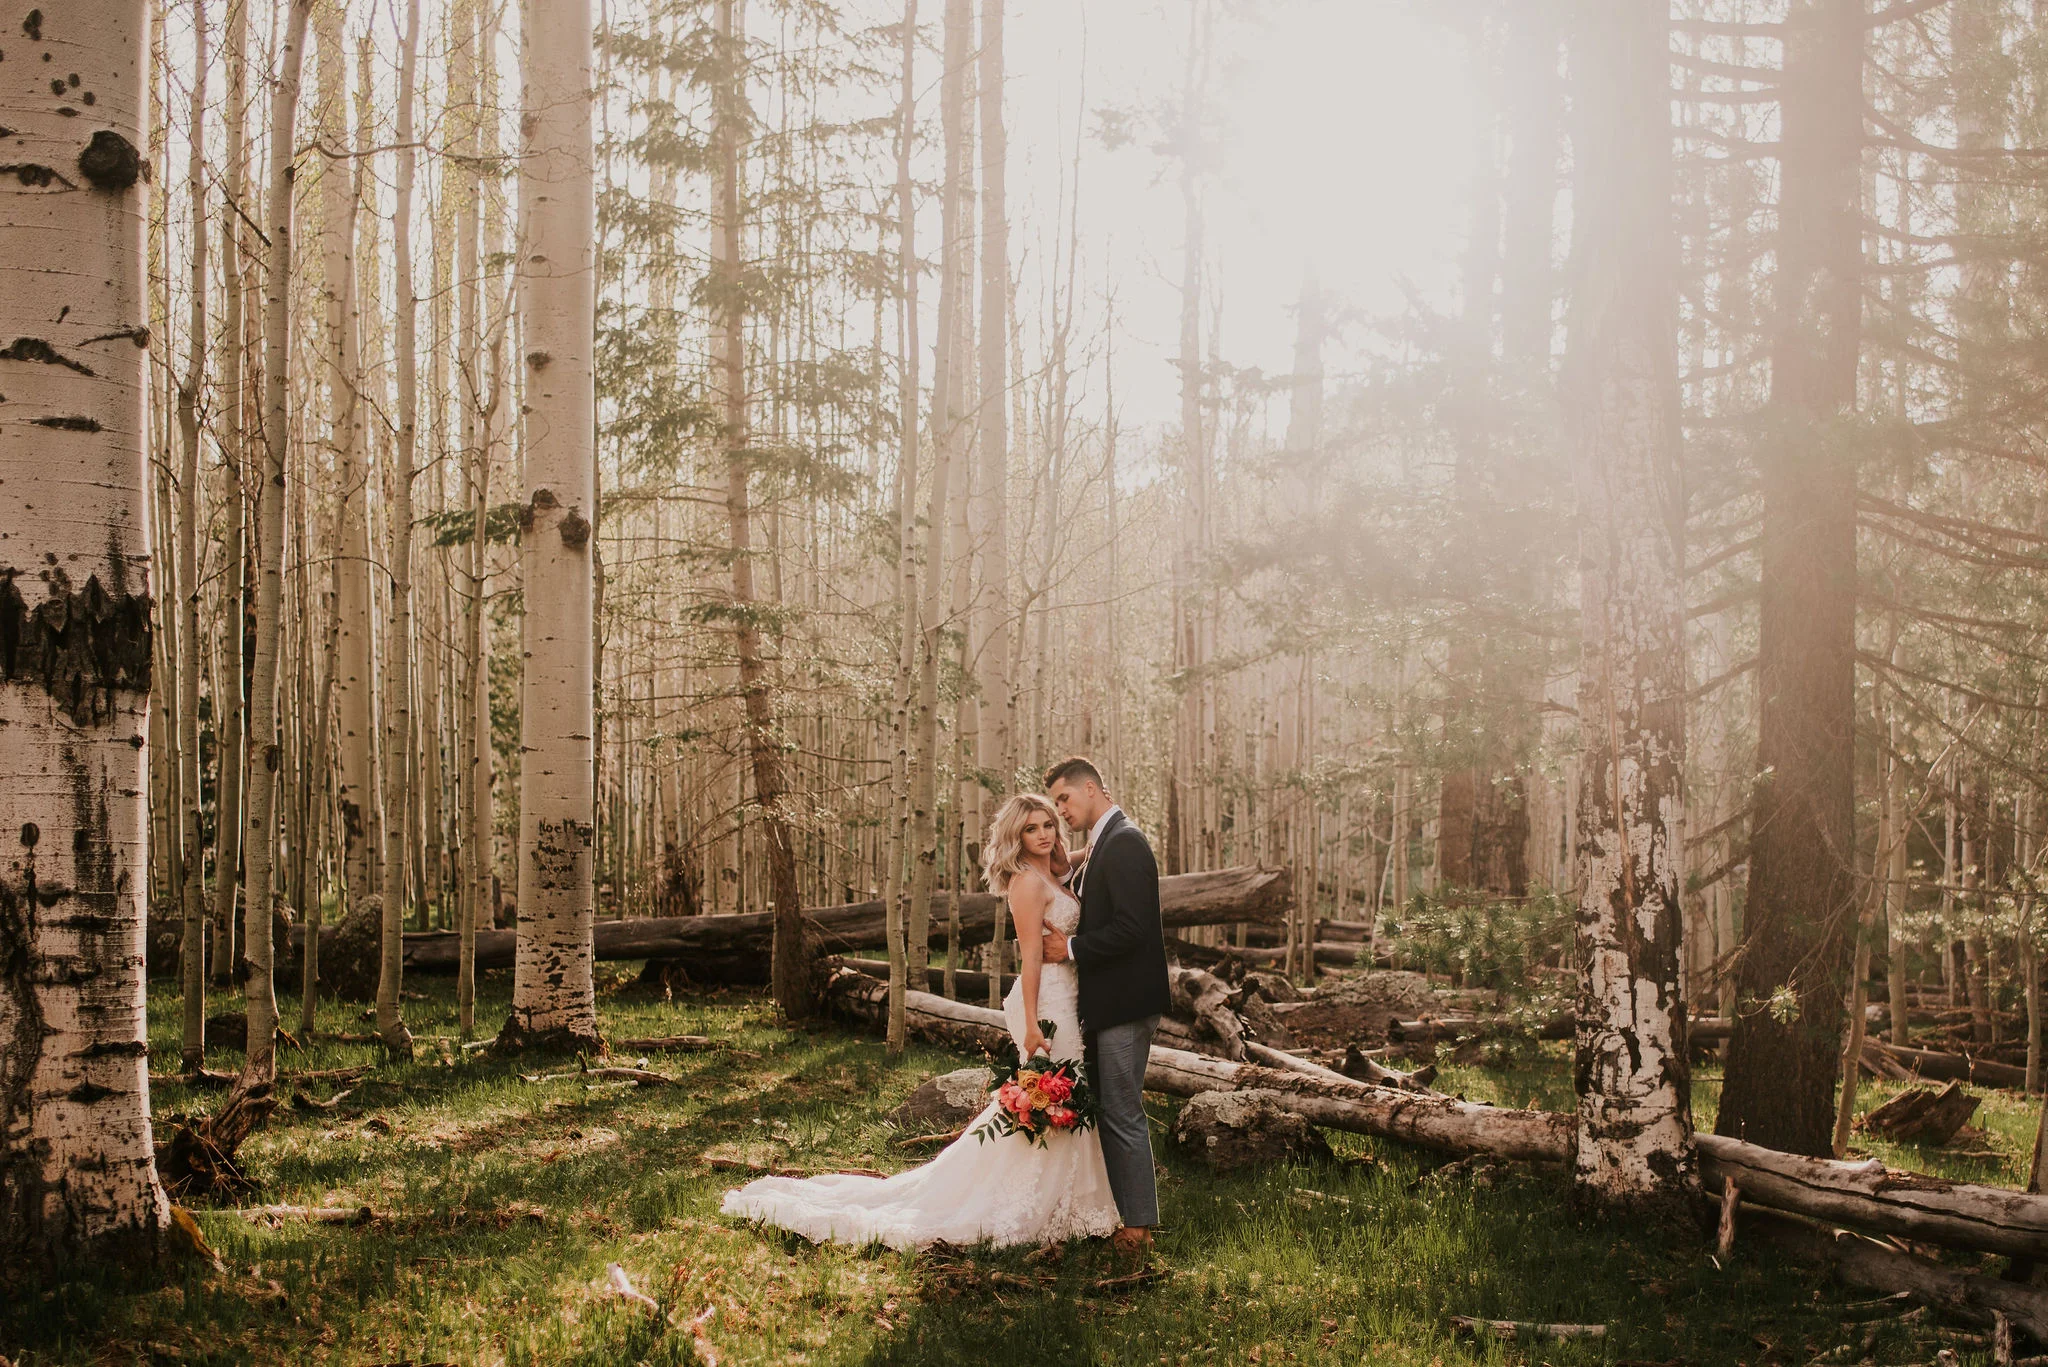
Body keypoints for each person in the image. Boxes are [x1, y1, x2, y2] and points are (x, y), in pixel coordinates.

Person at [719, 793, 1120, 1249]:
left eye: (1048, 824)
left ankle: (1069, 1202)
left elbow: (1083, 853)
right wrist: (1030, 1025)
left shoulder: (1053, 871)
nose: (1044, 834)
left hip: (1066, 994)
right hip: (1045, 1003)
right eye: (1031, 829)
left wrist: (1105, 828)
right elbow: (1028, 958)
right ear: (1017, 837)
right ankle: (1030, 1204)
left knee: (1068, 1093)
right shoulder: (1028, 883)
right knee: (1053, 1095)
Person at [1040, 756, 1170, 1258]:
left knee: (1121, 1111)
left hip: (1126, 1001)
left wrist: (1070, 948)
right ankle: (1122, 1213)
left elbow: (1134, 927)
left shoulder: (1126, 842)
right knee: (1111, 1108)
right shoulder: (1102, 843)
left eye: (1064, 798)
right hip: (1109, 1000)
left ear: (1091, 789)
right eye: (1055, 802)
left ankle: (1138, 1229)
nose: (1060, 810)